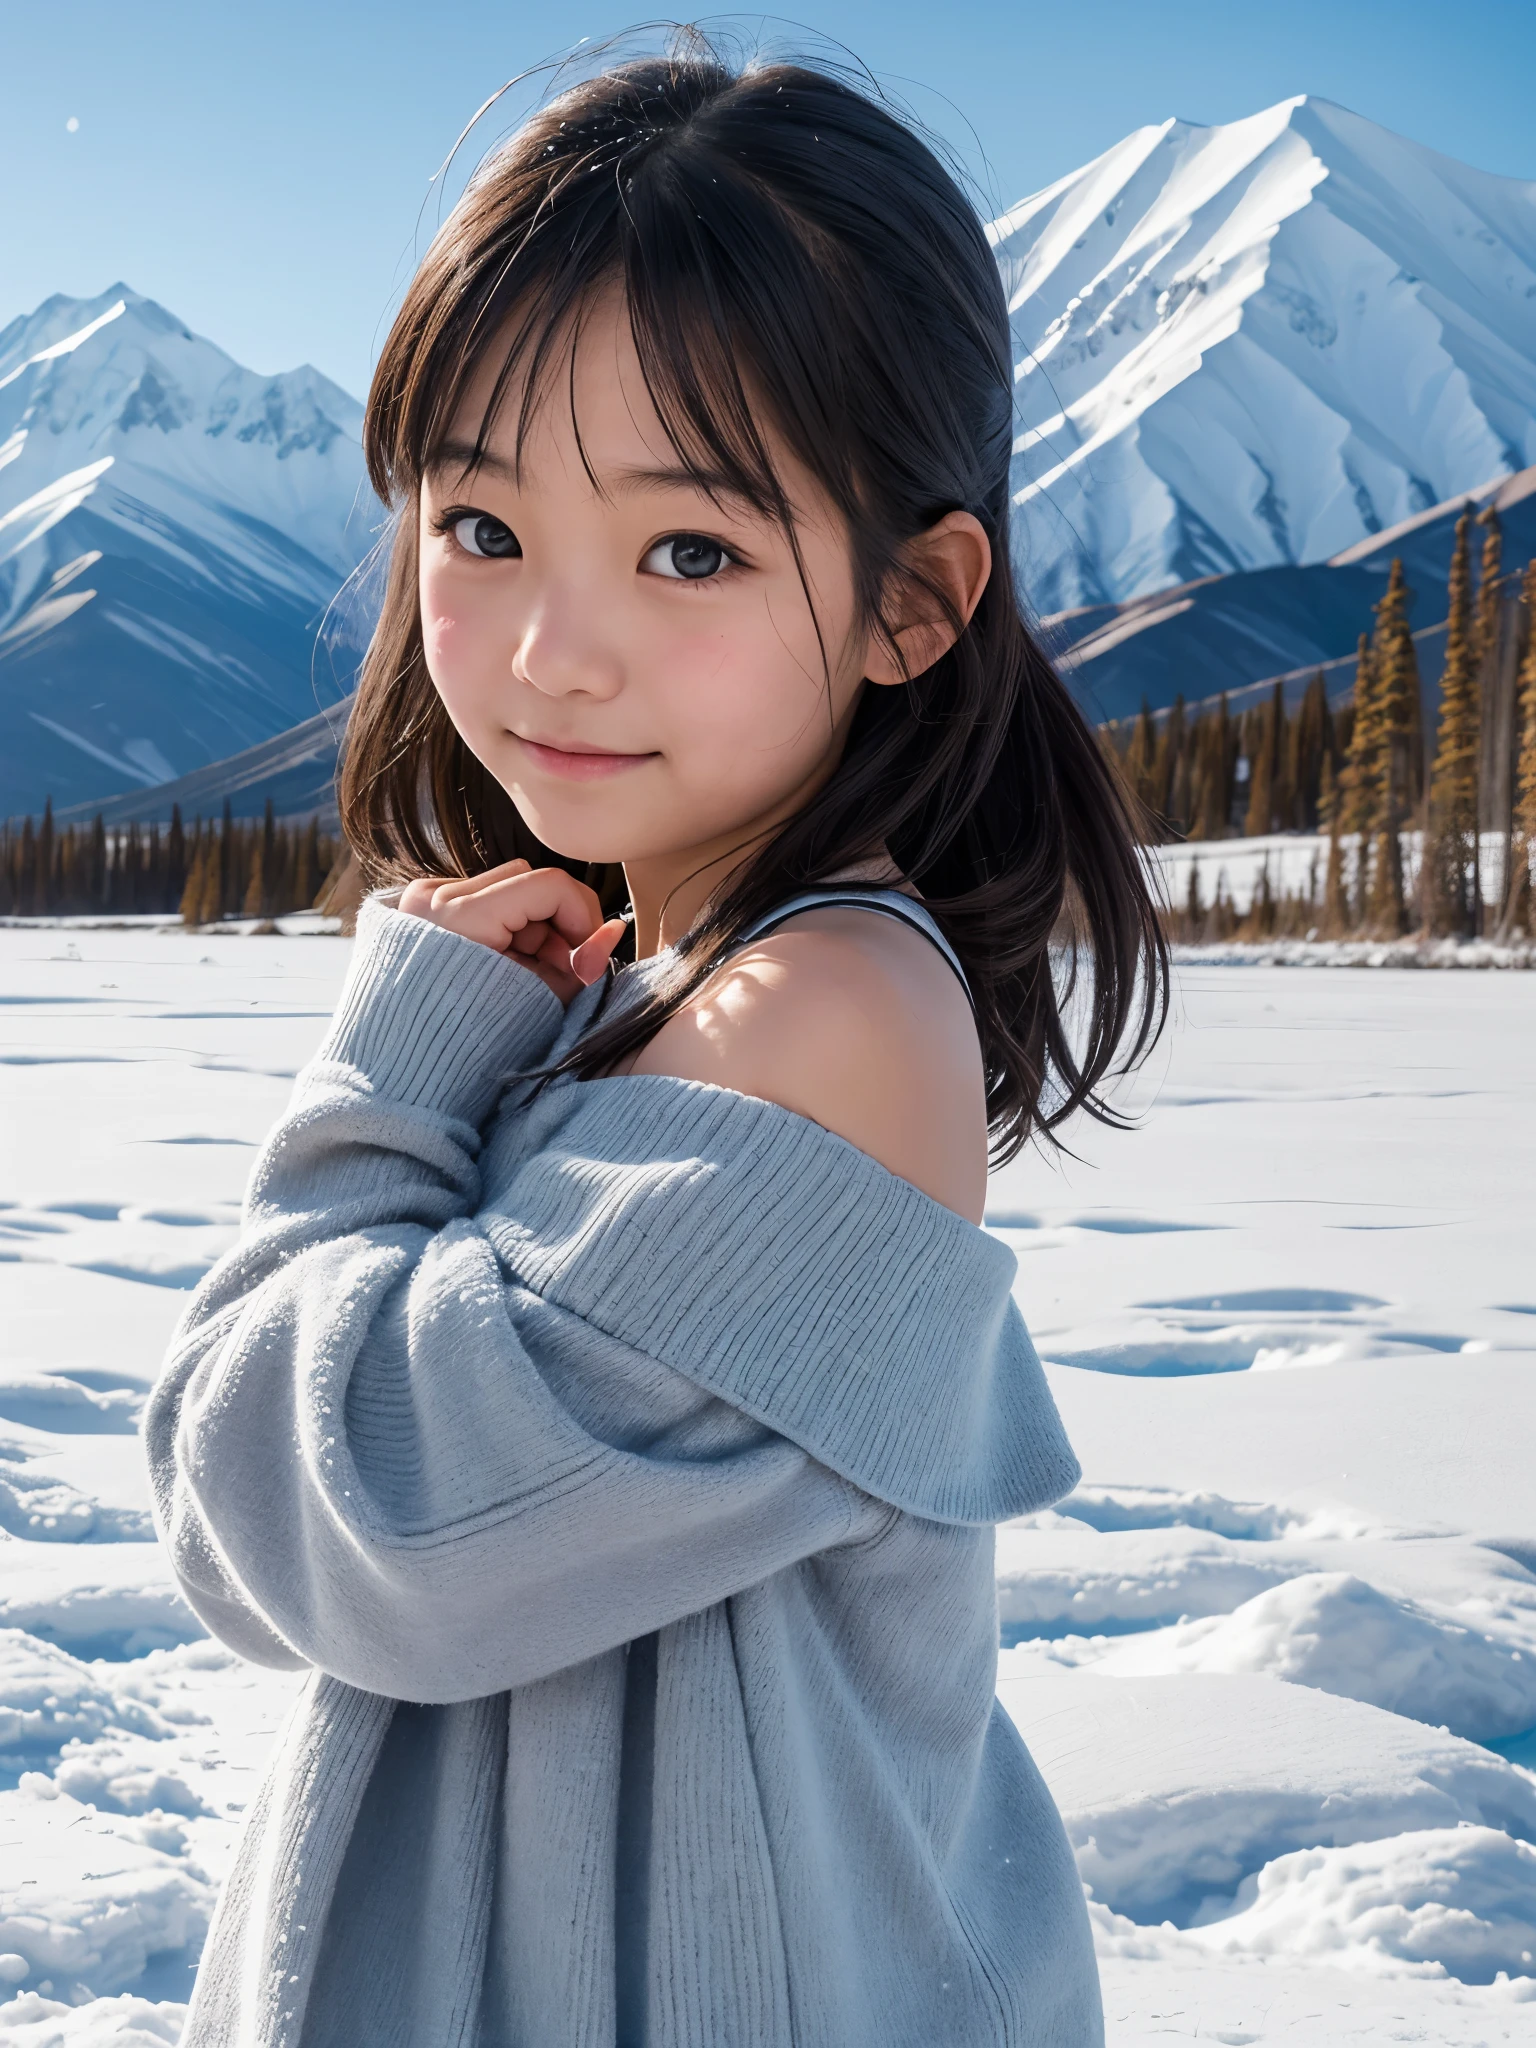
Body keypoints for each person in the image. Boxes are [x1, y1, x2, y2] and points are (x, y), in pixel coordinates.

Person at [146, 37, 1166, 2048]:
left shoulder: (827, 1013)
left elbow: (311, 1514)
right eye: (482, 526)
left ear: (912, 601)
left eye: (687, 548)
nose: (549, 648)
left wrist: (390, 1075)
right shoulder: (690, 973)